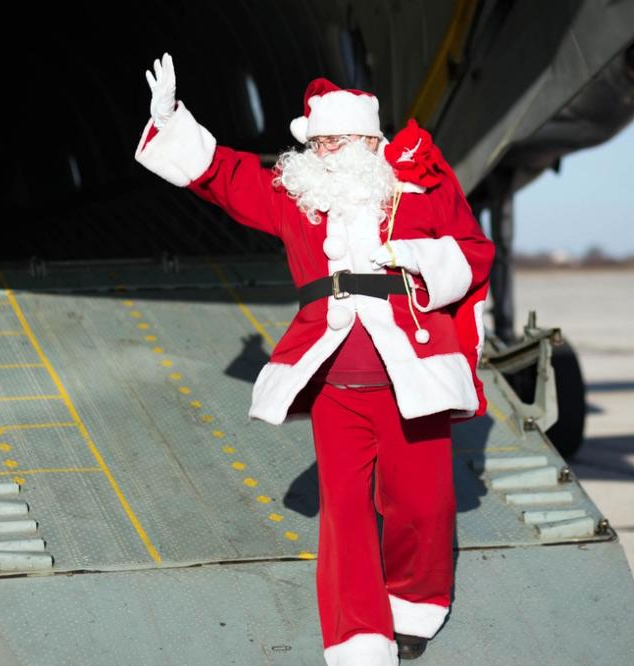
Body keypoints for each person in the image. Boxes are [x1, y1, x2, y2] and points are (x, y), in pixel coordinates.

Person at [134, 53, 494, 666]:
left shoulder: (420, 186)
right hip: (334, 381)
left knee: (422, 503)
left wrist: (418, 260)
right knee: (345, 516)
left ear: (369, 140)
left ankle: (414, 600)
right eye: (320, 140)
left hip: (413, 374)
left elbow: (472, 250)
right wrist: (170, 119)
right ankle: (359, 639)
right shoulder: (296, 196)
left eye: (342, 139)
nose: (329, 150)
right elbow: (224, 174)